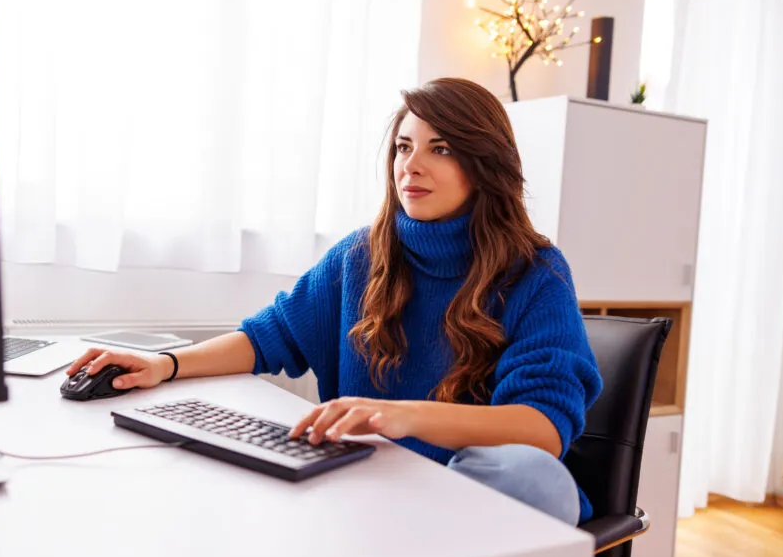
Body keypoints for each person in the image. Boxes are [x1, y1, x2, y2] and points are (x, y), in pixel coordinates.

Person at [66, 77, 603, 525]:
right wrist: (167, 364)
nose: (410, 166)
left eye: (440, 148)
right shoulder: (361, 254)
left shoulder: (537, 274)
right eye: (403, 146)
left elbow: (542, 428)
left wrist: (401, 416)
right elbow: (266, 337)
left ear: (485, 165)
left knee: (536, 479)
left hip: (467, 499)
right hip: (367, 489)